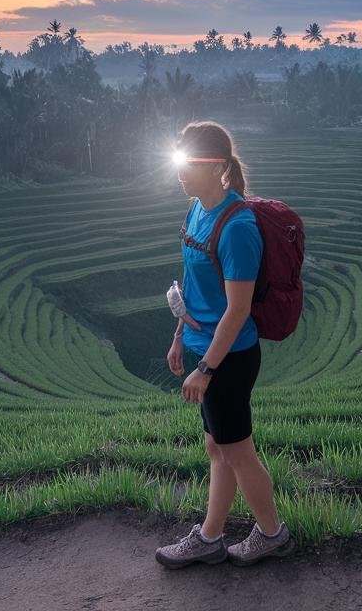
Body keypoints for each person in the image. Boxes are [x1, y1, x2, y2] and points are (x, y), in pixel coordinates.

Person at [154, 121, 294, 569]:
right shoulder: (198, 208)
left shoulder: (237, 227)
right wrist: (180, 337)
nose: (180, 173)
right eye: (178, 162)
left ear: (217, 167)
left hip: (229, 358)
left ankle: (272, 534)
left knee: (237, 451)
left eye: (189, 164)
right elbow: (196, 287)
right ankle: (210, 537)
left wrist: (206, 369)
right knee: (218, 449)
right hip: (205, 347)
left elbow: (236, 311)